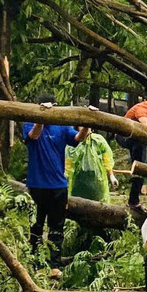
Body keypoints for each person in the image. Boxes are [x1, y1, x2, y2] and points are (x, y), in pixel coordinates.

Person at [22, 98, 91, 264]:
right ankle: (34, 261)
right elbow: (34, 136)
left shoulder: (62, 126)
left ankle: (54, 264)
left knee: (57, 227)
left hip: (58, 185)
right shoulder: (30, 123)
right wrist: (42, 115)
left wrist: (88, 121)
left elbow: (79, 138)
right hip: (36, 185)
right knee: (35, 226)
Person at [66, 129, 115, 203]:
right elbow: (68, 164)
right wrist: (65, 179)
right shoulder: (72, 143)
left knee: (99, 205)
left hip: (97, 183)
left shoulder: (98, 141)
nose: (85, 130)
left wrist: (111, 175)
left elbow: (107, 158)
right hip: (78, 183)